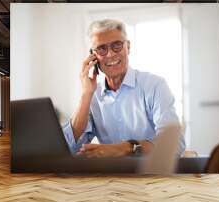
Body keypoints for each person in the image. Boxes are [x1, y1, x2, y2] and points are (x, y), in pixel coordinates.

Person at [62, 19, 184, 158]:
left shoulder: (154, 86)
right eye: (102, 48)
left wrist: (124, 148)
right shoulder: (93, 96)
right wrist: (85, 94)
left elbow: (174, 144)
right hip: (110, 177)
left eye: (117, 45)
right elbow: (68, 149)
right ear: (93, 56)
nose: (110, 54)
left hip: (151, 174)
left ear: (128, 47)